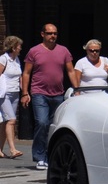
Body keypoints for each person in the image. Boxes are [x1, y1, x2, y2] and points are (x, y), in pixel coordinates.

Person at [21, 23, 78, 170]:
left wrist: (77, 89)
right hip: (39, 93)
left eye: (55, 34)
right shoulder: (34, 51)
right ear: (42, 34)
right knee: (42, 123)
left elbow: (70, 71)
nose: (52, 36)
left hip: (58, 94)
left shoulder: (63, 51)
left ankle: (51, 156)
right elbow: (26, 73)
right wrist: (25, 93)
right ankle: (40, 157)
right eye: (49, 33)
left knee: (55, 127)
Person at [0, 36, 24, 159]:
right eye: (19, 46)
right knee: (11, 120)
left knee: (6, 122)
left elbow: (19, 77)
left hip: (15, 93)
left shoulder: (16, 60)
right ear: (14, 47)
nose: (20, 48)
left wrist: (24, 92)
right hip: (4, 94)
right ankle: (12, 149)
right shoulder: (4, 59)